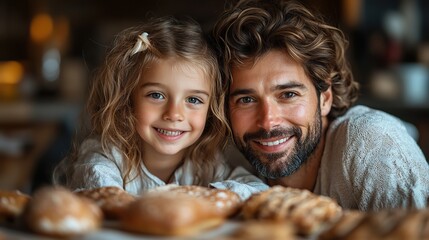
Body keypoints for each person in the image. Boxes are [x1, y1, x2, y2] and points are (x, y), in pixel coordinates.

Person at [212, 0, 429, 210]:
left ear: (325, 98)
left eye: (288, 94)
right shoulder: (228, 156)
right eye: (246, 100)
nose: (268, 121)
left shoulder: (371, 145)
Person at [53, 16, 268, 200]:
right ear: (128, 98)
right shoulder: (103, 161)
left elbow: (260, 192)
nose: (174, 114)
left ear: (211, 109)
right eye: (156, 95)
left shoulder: (206, 164)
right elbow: (108, 205)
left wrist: (208, 196)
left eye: (193, 100)